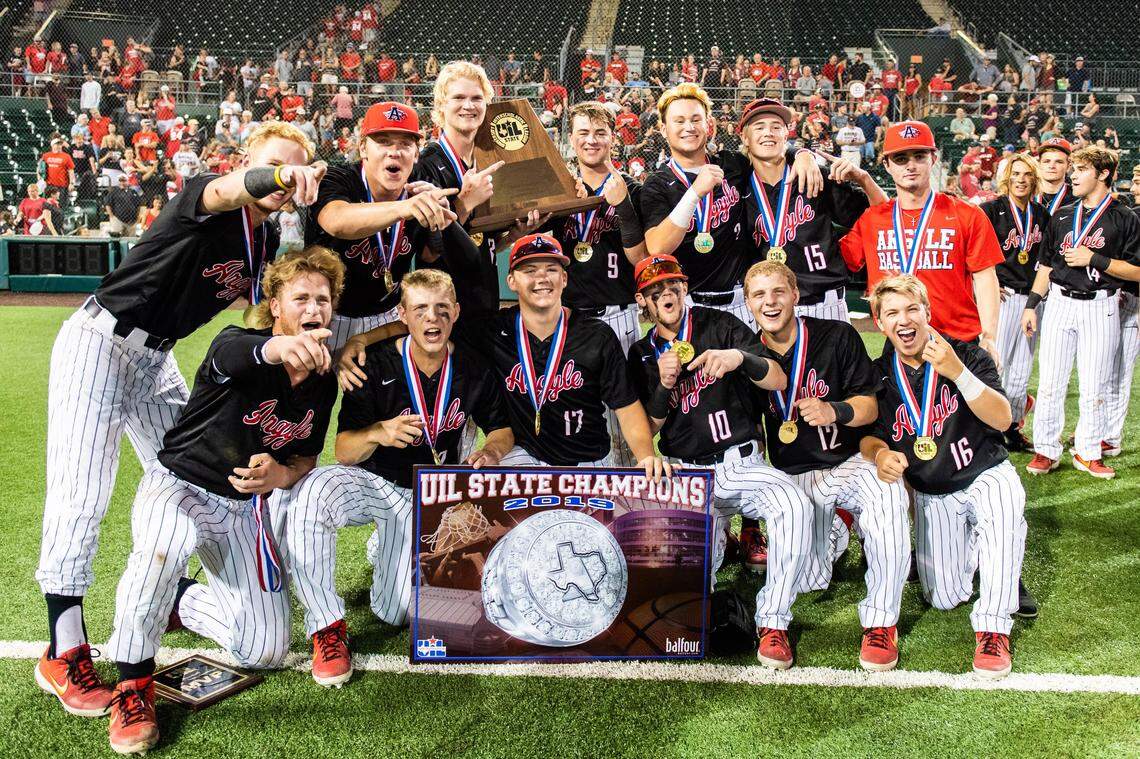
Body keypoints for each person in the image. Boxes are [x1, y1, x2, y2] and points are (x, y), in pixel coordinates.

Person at [33, 123, 325, 720]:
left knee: (197, 471)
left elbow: (263, 309)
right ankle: (64, 650)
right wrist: (275, 176)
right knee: (82, 496)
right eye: (274, 165)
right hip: (101, 340)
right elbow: (225, 192)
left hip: (155, 355)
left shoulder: (264, 240)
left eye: (295, 168)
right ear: (251, 162)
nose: (283, 178)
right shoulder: (206, 198)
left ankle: (176, 599)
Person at [102, 247, 342, 754]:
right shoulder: (240, 343)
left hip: (241, 511)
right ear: (276, 305)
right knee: (164, 545)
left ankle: (182, 600)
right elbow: (240, 356)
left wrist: (280, 473)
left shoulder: (323, 382)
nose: (313, 308)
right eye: (300, 298)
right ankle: (132, 686)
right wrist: (281, 349)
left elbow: (305, 459)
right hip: (180, 487)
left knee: (265, 650)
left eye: (323, 299)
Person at [285, 269, 513, 687]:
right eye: (421, 309)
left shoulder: (472, 366)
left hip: (426, 494)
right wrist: (378, 431)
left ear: (456, 312)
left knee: (395, 611)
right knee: (313, 491)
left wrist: (492, 449)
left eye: (443, 309)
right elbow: (344, 451)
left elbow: (500, 427)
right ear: (403, 315)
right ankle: (326, 627)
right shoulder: (375, 363)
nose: (433, 319)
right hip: (375, 483)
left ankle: (390, 547)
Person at [626, 254, 819, 669]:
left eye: (673, 287)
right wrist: (662, 384)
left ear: (685, 289)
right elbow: (652, 425)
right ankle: (699, 608)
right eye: (655, 291)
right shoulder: (642, 353)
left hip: (740, 464)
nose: (666, 295)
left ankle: (774, 622)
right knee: (678, 581)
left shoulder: (721, 325)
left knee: (793, 505)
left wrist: (740, 358)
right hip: (687, 473)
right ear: (643, 301)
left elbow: (778, 378)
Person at [745, 261, 909, 671]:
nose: (770, 302)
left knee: (887, 493)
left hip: (846, 465)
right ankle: (837, 525)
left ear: (796, 296)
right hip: (792, 478)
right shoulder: (749, 355)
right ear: (748, 304)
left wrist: (834, 410)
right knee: (811, 578)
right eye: (759, 295)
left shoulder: (836, 335)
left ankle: (880, 622)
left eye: (778, 292)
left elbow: (870, 407)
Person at [862, 275, 1025, 680]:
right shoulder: (878, 375)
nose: (905, 320)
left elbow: (1004, 419)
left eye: (912, 309)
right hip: (935, 493)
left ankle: (993, 629)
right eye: (893, 313)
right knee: (945, 597)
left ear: (928, 313)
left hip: (985, 473)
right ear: (880, 323)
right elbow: (866, 436)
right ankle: (986, 552)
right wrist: (880, 453)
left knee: (1003, 506)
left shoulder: (966, 356)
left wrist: (957, 373)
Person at [640, 83, 820, 328]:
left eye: (696, 119)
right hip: (690, 304)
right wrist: (694, 193)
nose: (689, 127)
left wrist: (801, 153)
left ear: (708, 124)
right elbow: (658, 246)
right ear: (663, 128)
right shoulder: (656, 184)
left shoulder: (733, 164)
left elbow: (768, 153)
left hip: (741, 303)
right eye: (679, 121)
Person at [306, 101, 476, 353]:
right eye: (383, 141)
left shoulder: (421, 188)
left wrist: (448, 215)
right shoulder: (339, 177)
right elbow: (336, 221)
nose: (394, 152)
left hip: (385, 317)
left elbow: (433, 253)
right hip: (326, 315)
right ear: (363, 148)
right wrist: (405, 208)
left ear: (416, 154)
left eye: (406, 144)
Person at [840, 121, 1003, 368]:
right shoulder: (872, 220)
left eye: (919, 156)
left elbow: (985, 277)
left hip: (957, 340)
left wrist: (989, 336)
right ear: (886, 165)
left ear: (933, 159)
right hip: (899, 342)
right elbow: (838, 261)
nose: (911, 165)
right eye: (901, 159)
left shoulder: (967, 214)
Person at [1024, 146, 1140, 478]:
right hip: (1059, 302)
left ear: (1102, 174)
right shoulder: (1061, 216)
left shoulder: (1124, 217)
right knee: (1050, 382)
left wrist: (1095, 259)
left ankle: (1088, 451)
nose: (1072, 175)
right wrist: (1032, 305)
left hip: (1102, 305)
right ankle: (1046, 449)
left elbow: (1136, 270)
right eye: (1072, 168)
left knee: (1095, 384)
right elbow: (1046, 265)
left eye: (1081, 169)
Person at [737, 98, 884, 322]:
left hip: (824, 306)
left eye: (776, 127)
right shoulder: (738, 186)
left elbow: (880, 215)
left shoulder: (816, 176)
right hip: (767, 310)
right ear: (744, 138)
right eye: (759, 127)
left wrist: (863, 178)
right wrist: (801, 152)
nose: (769, 133)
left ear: (786, 135)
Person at [979, 154, 1050, 451]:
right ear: (1006, 177)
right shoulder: (990, 210)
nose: (1021, 179)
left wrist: (1036, 298)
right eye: (1016, 173)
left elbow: (1045, 261)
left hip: (1031, 300)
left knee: (1022, 369)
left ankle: (1013, 427)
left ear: (1034, 180)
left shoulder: (1041, 215)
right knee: (996, 365)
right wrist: (988, 285)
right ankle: (985, 427)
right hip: (1003, 297)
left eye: (1026, 175)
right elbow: (976, 254)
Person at [1034, 137, 1077, 214]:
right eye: (1046, 161)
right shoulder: (1027, 195)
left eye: (1059, 162)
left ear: (1069, 166)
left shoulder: (1077, 198)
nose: (1052, 166)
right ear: (1039, 164)